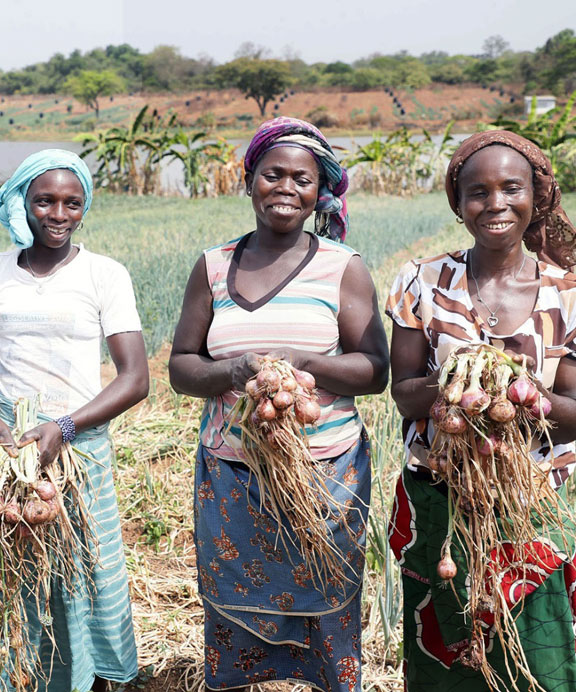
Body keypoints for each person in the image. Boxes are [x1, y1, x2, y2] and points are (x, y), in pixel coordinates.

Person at [168, 116, 389, 691]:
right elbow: (181, 367)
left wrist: (304, 363)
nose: (286, 188)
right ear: (248, 181)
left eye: (302, 179)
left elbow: (375, 370)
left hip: (324, 471)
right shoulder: (213, 266)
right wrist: (232, 372)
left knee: (328, 593)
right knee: (233, 601)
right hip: (232, 471)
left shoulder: (343, 267)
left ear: (320, 193)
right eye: (272, 175)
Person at [386, 130, 576, 690]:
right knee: (447, 653)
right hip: (440, 498)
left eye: (510, 188)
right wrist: (460, 380)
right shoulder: (420, 280)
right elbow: (403, 392)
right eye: (478, 192)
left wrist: (521, 397)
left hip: (533, 499)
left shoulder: (568, 292)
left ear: (536, 197)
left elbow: (574, 409)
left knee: (537, 652)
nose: (495, 204)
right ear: (459, 203)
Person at [0, 149, 149, 692]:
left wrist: (64, 428)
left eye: (72, 202)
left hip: (77, 447)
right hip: (5, 447)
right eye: (44, 201)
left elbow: (135, 378)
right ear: (24, 202)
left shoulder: (104, 274)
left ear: (84, 207)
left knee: (83, 578)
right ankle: (7, 674)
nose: (58, 214)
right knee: (3, 572)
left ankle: (86, 681)